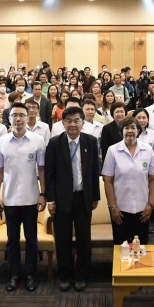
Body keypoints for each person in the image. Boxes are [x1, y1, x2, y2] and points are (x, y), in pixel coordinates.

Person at [45, 106, 101, 292]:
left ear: (82, 123)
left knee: (84, 239)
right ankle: (64, 275)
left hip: (83, 197)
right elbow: (50, 174)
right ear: (63, 123)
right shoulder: (54, 143)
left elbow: (95, 171)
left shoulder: (90, 141)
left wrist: (95, 196)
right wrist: (50, 200)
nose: (73, 124)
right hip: (62, 200)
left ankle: (81, 275)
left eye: (77, 120)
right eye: (69, 121)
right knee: (63, 239)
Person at [0, 102, 46, 293]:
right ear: (9, 118)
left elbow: (41, 169)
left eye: (22, 115)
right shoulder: (2, 142)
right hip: (10, 199)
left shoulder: (37, 140)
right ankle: (14, 275)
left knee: (32, 239)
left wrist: (43, 194)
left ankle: (31, 275)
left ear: (29, 116)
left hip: (31, 198)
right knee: (12, 240)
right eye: (14, 115)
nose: (18, 119)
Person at [101, 115, 154, 245]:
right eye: (126, 128)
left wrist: (151, 205)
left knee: (142, 247)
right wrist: (113, 207)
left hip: (143, 210)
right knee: (122, 248)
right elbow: (108, 181)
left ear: (138, 130)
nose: (130, 131)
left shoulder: (148, 150)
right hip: (120, 211)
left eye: (133, 127)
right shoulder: (113, 151)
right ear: (121, 131)